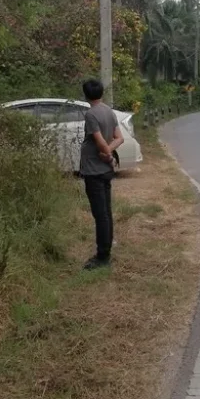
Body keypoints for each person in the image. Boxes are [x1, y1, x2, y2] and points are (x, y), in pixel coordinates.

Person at [79, 79, 124, 270]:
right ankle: (106, 247)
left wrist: (106, 154)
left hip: (94, 171)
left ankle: (103, 256)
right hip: (105, 171)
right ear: (101, 93)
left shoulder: (91, 115)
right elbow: (119, 138)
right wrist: (110, 156)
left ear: (86, 95)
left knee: (101, 215)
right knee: (106, 212)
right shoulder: (108, 111)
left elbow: (101, 144)